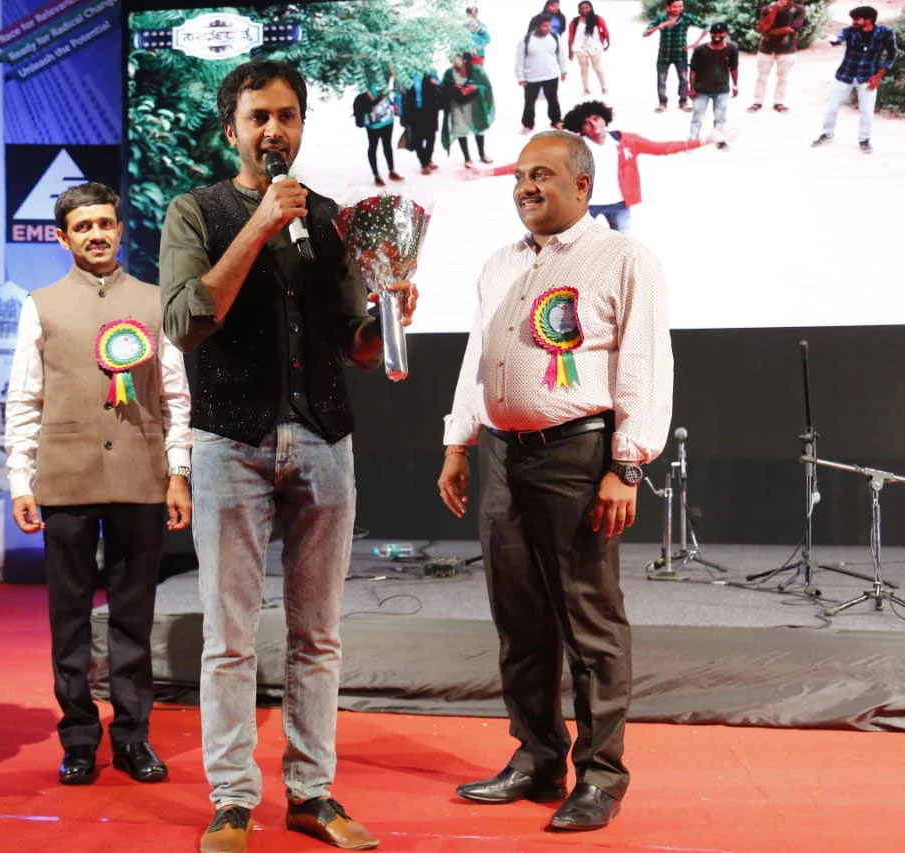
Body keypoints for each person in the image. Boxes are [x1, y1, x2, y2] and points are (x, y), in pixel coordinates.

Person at [158, 59, 417, 853]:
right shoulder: (195, 211)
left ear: (302, 125)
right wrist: (261, 226)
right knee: (230, 635)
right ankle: (233, 798)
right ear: (231, 128)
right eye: (259, 116)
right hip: (229, 443)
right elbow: (184, 322)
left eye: (288, 116)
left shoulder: (331, 217)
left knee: (319, 634)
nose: (274, 130)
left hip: (323, 440)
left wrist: (388, 315)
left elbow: (351, 343)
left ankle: (312, 792)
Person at [438, 130, 673, 832]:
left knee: (588, 623)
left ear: (582, 184)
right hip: (502, 457)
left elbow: (645, 362)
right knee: (519, 619)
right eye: (519, 176)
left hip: (579, 456)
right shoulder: (499, 263)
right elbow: (478, 356)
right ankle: (537, 756)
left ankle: (600, 775)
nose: (525, 187)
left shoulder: (623, 257)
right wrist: (457, 439)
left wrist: (626, 465)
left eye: (540, 174)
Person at [4, 182, 193, 788]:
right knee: (69, 619)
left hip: (142, 476)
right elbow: (23, 399)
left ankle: (133, 737)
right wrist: (20, 481)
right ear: (63, 239)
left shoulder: (154, 300)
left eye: (105, 224)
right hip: (65, 479)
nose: (96, 234)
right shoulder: (40, 304)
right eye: (83, 227)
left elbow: (175, 397)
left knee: (134, 615)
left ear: (119, 229)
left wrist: (179, 473)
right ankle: (79, 738)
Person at [467, 100, 707, 233]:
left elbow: (663, 147)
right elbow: (532, 165)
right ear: (580, 128)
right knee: (576, 248)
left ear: (604, 117)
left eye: (596, 118)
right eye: (587, 123)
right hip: (584, 207)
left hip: (620, 206)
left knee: (622, 247)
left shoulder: (626, 140)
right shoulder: (573, 147)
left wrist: (703, 141)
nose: (594, 124)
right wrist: (486, 172)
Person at [811, 6, 898, 154]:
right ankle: (827, 134)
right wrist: (832, 41)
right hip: (845, 75)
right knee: (832, 107)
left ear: (868, 20)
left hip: (868, 77)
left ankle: (864, 140)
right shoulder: (849, 31)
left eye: (857, 19)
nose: (853, 22)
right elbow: (838, 38)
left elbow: (892, 55)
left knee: (867, 111)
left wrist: (877, 76)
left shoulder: (885, 32)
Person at [643, 0, 707, 112]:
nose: (678, 9)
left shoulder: (686, 17)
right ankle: (662, 103)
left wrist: (696, 43)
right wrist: (659, 26)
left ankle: (683, 102)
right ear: (668, 7)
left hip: (681, 54)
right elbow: (645, 33)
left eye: (680, 6)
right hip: (664, 54)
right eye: (674, 7)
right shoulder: (661, 18)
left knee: (684, 79)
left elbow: (707, 26)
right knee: (661, 79)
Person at [748, 0, 806, 113]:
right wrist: (774, 10)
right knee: (761, 77)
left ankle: (778, 102)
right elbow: (762, 28)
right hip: (766, 48)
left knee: (783, 78)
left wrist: (770, 31)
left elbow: (793, 29)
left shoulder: (798, 10)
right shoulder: (767, 9)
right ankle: (758, 101)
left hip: (786, 49)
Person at [689, 22, 739, 150]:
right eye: (714, 33)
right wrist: (692, 88)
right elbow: (693, 71)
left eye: (720, 33)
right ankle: (692, 141)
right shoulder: (700, 50)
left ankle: (720, 140)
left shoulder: (732, 48)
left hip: (722, 89)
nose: (717, 36)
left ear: (726, 33)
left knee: (720, 117)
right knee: (697, 116)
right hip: (701, 89)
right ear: (710, 34)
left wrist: (735, 85)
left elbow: (734, 68)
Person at [442, 51, 496, 166]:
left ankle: (482, 154)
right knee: (460, 130)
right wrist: (454, 88)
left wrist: (474, 87)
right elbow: (444, 89)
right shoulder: (449, 73)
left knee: (479, 128)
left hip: (474, 105)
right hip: (457, 106)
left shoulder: (477, 70)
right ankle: (467, 158)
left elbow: (486, 87)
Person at [516, 15, 567, 134]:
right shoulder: (526, 40)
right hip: (532, 77)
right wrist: (520, 77)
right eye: (545, 26)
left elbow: (561, 55)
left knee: (553, 99)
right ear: (537, 26)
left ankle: (556, 120)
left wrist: (563, 70)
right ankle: (528, 124)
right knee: (529, 101)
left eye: (549, 26)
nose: (548, 28)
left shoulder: (554, 38)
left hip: (551, 75)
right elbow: (519, 60)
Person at [353, 82, 405, 187]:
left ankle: (391, 171)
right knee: (373, 147)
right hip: (373, 124)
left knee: (387, 146)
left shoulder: (383, 79)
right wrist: (375, 97)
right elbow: (364, 103)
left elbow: (392, 91)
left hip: (388, 120)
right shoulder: (365, 82)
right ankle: (376, 175)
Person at [400, 70, 444, 175]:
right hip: (413, 111)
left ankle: (427, 159)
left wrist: (436, 82)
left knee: (431, 137)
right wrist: (402, 113)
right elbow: (400, 95)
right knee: (417, 139)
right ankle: (424, 164)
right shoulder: (406, 75)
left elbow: (440, 84)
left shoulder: (429, 72)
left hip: (430, 110)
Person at [568, 1, 611, 96]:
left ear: (591, 8)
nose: (584, 10)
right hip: (580, 48)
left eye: (587, 7)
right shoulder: (575, 21)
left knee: (598, 68)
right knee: (584, 69)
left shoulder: (597, 19)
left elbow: (605, 31)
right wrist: (570, 51)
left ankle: (604, 87)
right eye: (582, 8)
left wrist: (608, 44)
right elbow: (571, 37)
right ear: (579, 10)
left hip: (594, 47)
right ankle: (586, 89)